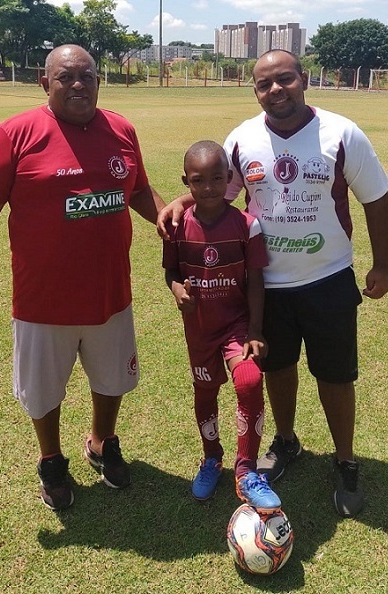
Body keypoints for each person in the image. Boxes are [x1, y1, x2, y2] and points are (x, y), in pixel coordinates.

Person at [157, 50, 388, 518]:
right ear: (255, 91)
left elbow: (377, 200)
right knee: (277, 368)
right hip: (266, 286)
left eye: (285, 79)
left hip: (328, 279)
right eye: (265, 84)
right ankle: (286, 442)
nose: (276, 90)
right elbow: (218, 192)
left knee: (335, 374)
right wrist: (181, 201)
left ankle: (345, 461)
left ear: (303, 79)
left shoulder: (342, 133)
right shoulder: (243, 139)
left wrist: (382, 265)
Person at [0, 44, 165, 511]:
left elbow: (136, 190)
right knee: (43, 389)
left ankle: (101, 440)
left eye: (87, 76)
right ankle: (51, 459)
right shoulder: (14, 134)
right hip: (43, 299)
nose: (78, 85)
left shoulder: (121, 129)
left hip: (110, 292)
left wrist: (172, 218)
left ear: (99, 80)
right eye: (66, 77)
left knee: (112, 379)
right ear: (45, 82)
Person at [162, 140, 281, 512]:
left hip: (237, 325)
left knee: (248, 381)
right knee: (205, 392)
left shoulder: (247, 225)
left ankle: (246, 471)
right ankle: (212, 457)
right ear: (187, 182)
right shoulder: (178, 227)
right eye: (199, 181)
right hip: (199, 329)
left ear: (230, 178)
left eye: (217, 178)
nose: (209, 187)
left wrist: (256, 330)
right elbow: (171, 271)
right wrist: (176, 288)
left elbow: (257, 280)